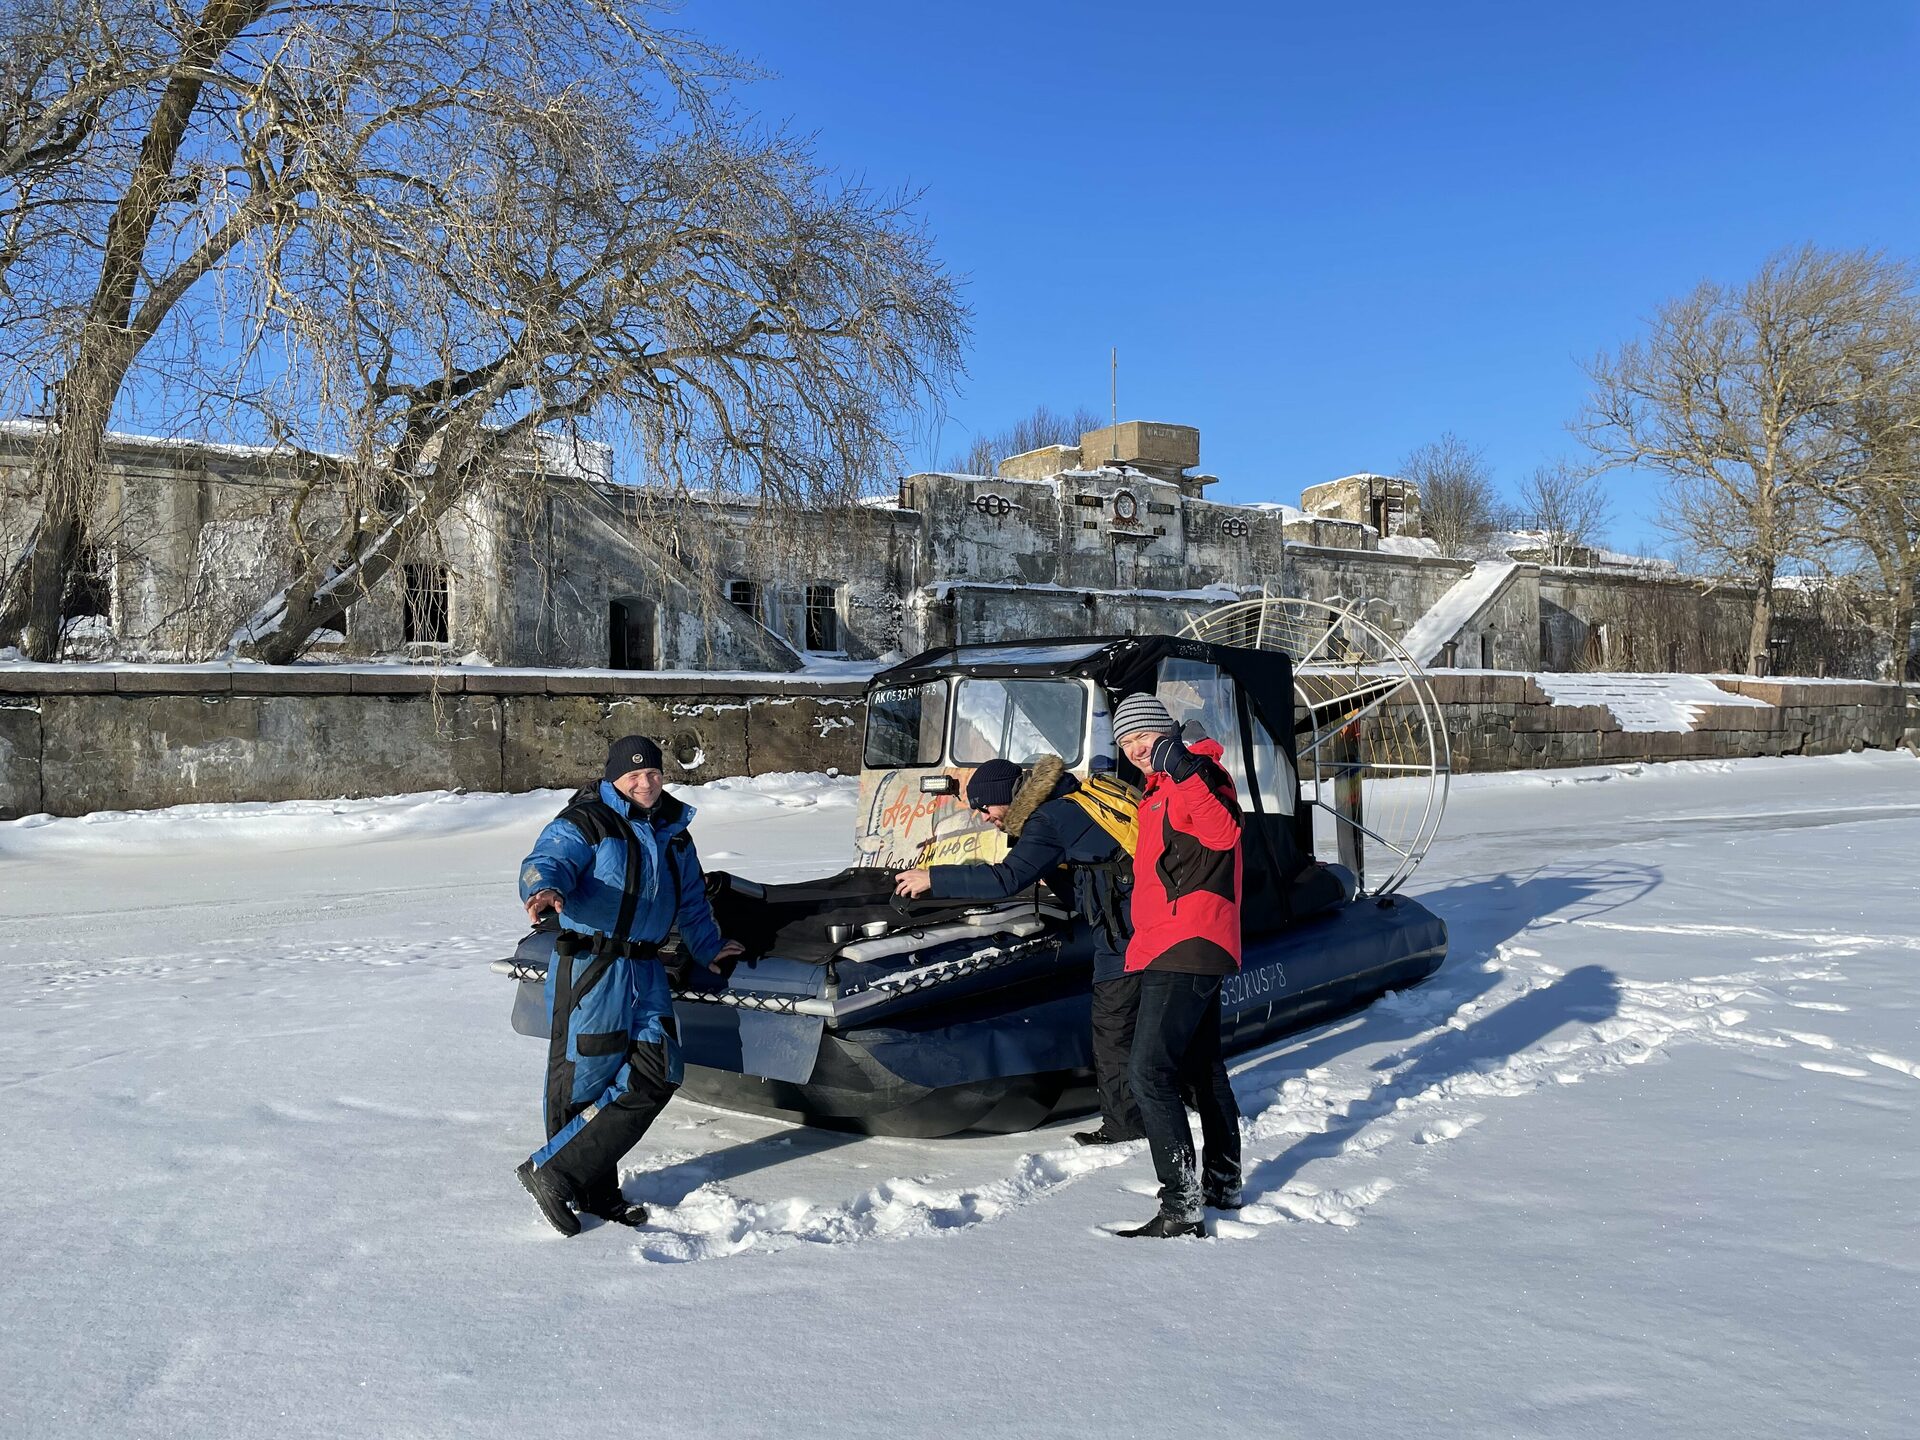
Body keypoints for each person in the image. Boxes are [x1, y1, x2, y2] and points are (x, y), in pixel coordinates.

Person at [514, 735, 743, 1236]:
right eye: (633, 775)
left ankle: (554, 1173)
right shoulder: (588, 821)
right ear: (614, 777)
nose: (646, 783)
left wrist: (709, 948)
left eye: (654, 773)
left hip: (645, 969)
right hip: (592, 968)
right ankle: (589, 1190)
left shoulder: (673, 831)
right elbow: (548, 859)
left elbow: (691, 904)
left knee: (658, 1071)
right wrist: (544, 888)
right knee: (584, 1080)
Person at [894, 755, 1145, 1145]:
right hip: (1140, 923)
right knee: (1155, 1020)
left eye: (985, 807)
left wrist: (933, 878)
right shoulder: (1068, 797)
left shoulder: (1047, 820)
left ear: (1004, 796)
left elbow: (1007, 879)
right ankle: (1188, 1096)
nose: (984, 816)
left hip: (1125, 934)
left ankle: (1125, 1126)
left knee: (1112, 1030)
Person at [1111, 693, 1245, 1239]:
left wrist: (1185, 769)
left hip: (1185, 940)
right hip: (1179, 939)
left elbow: (1223, 833)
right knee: (1202, 1067)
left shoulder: (1197, 773)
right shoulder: (1159, 788)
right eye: (1125, 742)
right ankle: (1222, 1181)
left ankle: (1181, 1205)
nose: (1136, 749)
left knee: (1148, 1072)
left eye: (1142, 736)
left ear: (1163, 732)